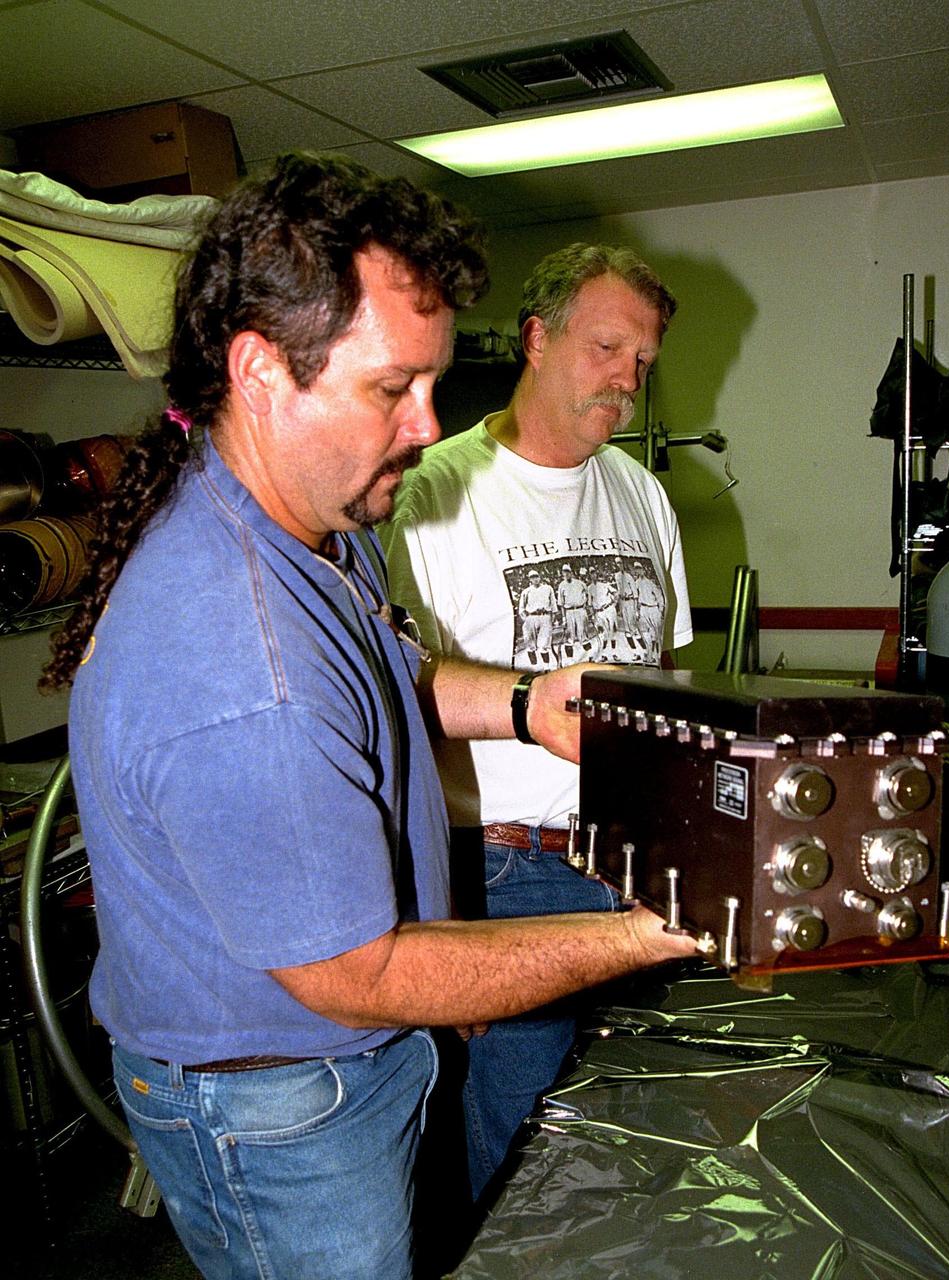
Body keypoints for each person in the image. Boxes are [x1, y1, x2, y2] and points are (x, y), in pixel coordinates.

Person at [40, 160, 697, 1280]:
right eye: (394, 388)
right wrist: (672, 926)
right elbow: (362, 971)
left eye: (432, 385)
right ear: (260, 371)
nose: (427, 425)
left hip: (338, 1053)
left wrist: (532, 703)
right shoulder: (245, 663)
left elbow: (384, 670)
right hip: (280, 1099)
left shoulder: (307, 517)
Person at [380, 242, 693, 1205]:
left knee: (646, 1131)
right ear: (535, 338)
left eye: (642, 361)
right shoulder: (433, 494)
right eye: (606, 347)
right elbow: (397, 697)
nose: (626, 379)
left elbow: (673, 684)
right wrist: (438, 915)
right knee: (527, 1161)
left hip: (641, 856)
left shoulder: (643, 494)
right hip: (511, 871)